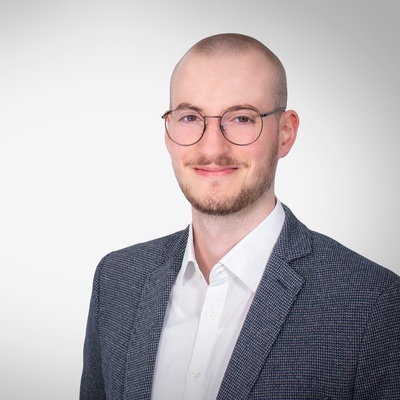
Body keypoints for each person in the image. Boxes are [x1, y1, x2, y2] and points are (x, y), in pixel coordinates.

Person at [80, 33, 400, 400]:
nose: (212, 147)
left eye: (242, 118)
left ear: (285, 133)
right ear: (168, 133)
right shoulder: (117, 280)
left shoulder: (373, 303)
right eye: (190, 117)